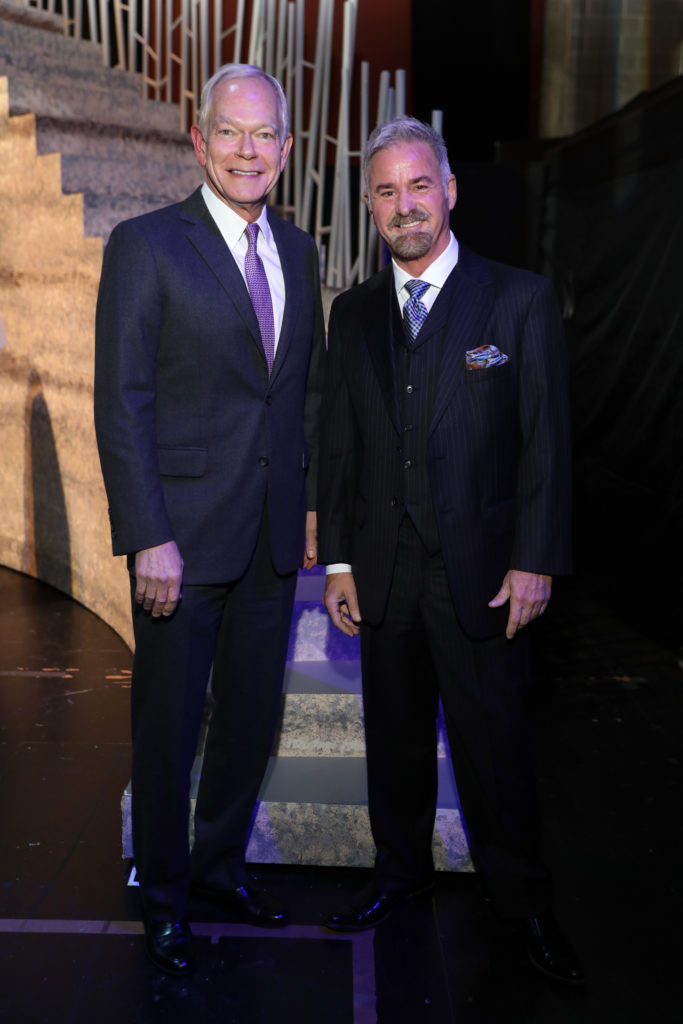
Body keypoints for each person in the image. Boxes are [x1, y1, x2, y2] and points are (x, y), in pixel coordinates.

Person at [317, 116, 583, 986]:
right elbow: (340, 448)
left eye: (418, 185)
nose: (405, 206)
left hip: (484, 576)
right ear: (370, 204)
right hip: (384, 575)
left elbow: (546, 442)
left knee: (494, 748)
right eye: (386, 191)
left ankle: (523, 904)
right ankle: (399, 881)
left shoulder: (517, 299)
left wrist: (535, 556)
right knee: (392, 743)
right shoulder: (352, 313)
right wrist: (342, 564)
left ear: (449, 190)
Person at [94, 63, 325, 975]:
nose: (246, 150)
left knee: (248, 721)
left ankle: (223, 867)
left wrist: (306, 504)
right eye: (229, 132)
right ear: (199, 140)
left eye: (263, 135)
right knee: (169, 726)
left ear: (287, 149)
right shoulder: (146, 245)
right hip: (180, 544)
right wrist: (148, 533)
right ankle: (163, 892)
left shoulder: (301, 253)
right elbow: (125, 401)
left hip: (269, 539)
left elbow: (296, 394)